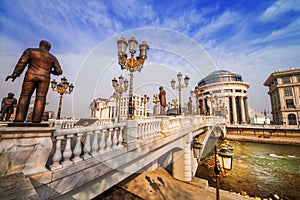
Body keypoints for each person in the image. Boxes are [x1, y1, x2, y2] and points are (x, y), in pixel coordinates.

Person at [5, 40, 63, 123]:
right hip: (44, 77)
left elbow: (22, 63)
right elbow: (59, 71)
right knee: (41, 98)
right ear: (49, 48)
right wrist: (49, 71)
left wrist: (15, 74)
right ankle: (36, 121)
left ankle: (19, 119)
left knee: (25, 96)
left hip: (31, 75)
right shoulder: (52, 57)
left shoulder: (30, 51)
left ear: (40, 45)